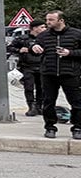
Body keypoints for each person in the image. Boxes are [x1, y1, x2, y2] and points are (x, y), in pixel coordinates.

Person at [32, 10, 81, 140]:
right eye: (47, 20)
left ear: (61, 20)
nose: (48, 22)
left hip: (70, 73)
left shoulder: (76, 34)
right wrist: (34, 48)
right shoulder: (43, 35)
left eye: (51, 20)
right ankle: (50, 127)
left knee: (76, 102)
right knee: (48, 101)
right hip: (49, 73)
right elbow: (36, 47)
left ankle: (77, 128)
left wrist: (70, 53)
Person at [8, 20, 46, 117]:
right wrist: (19, 50)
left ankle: (39, 106)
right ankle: (31, 106)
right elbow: (9, 48)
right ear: (34, 28)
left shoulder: (46, 38)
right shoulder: (22, 39)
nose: (44, 29)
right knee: (29, 87)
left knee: (41, 87)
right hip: (27, 66)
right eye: (42, 27)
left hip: (42, 66)